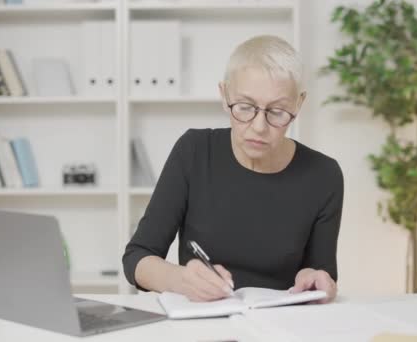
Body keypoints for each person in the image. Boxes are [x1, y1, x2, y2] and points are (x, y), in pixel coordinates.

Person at [123, 35, 343, 304]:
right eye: (245, 107)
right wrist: (181, 280)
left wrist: (314, 278)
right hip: (204, 323)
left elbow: (322, 272)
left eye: (277, 111)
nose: (259, 127)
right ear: (224, 94)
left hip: (279, 327)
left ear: (299, 104)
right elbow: (136, 258)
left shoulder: (324, 175)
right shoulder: (194, 151)